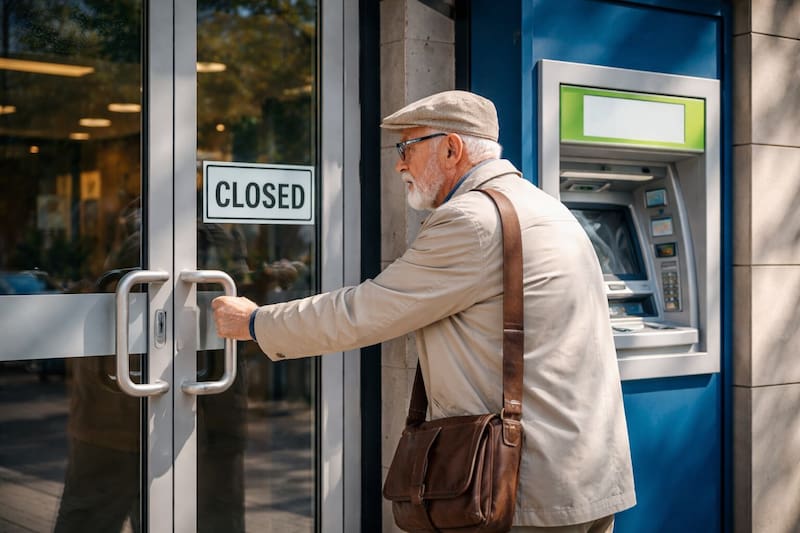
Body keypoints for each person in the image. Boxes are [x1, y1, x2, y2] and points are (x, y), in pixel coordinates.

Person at [212, 90, 636, 531]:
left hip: (518, 489)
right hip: (583, 476)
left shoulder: (472, 220)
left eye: (407, 147)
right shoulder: (547, 208)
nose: (399, 164)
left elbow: (365, 311)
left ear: (451, 148)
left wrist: (256, 322)